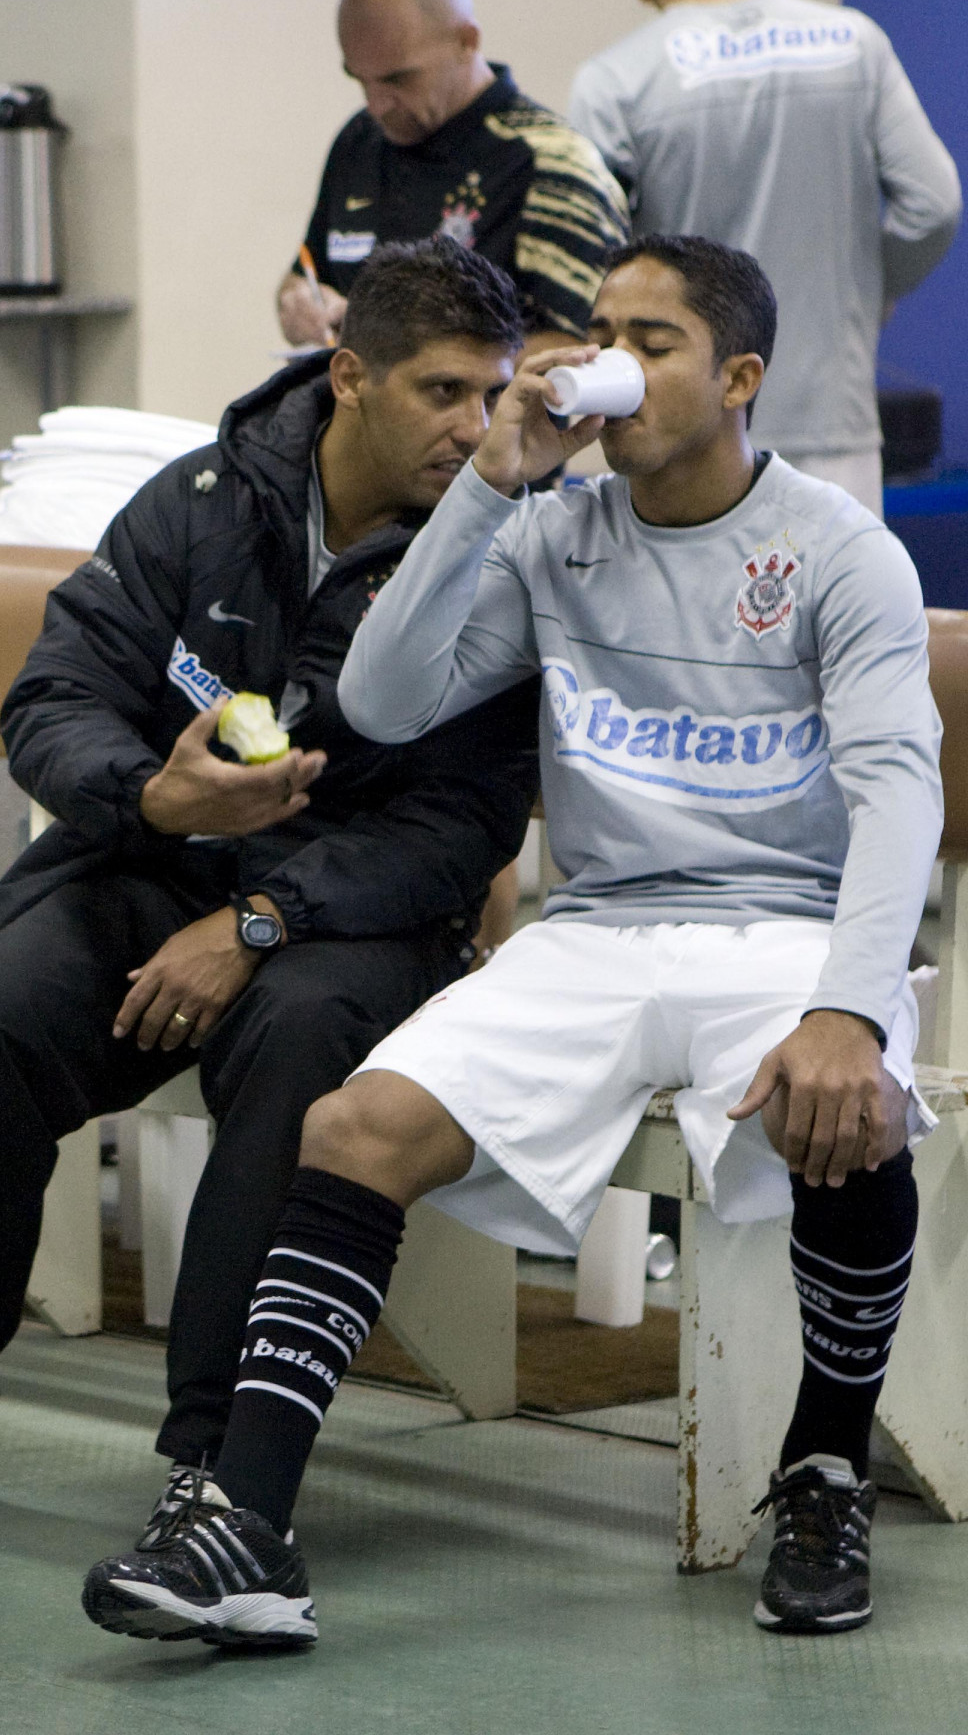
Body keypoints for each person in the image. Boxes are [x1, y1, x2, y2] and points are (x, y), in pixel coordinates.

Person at [82, 235, 942, 1649]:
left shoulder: (838, 551)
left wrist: (851, 1000)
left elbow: (897, 790)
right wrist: (496, 483)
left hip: (782, 929)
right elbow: (383, 697)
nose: (608, 359)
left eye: (650, 340)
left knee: (844, 1105)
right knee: (353, 1127)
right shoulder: (550, 528)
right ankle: (246, 1525)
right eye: (598, 328)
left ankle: (825, 1469)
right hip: (595, 931)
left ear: (738, 379)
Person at [0, 238, 542, 1542]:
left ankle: (218, 1462)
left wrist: (261, 922)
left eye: (493, 394)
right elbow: (54, 695)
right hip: (146, 867)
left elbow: (464, 826)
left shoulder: (494, 549)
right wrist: (152, 798)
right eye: (443, 392)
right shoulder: (196, 501)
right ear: (349, 375)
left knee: (298, 1045)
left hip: (350, 919)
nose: (475, 429)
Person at [567, 0, 961, 517]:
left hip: (689, 431)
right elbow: (934, 204)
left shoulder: (614, 81)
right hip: (832, 423)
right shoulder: (854, 42)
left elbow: (590, 255)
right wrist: (875, 292)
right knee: (841, 605)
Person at [277, 0, 630, 353]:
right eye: (360, 80)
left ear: (467, 40)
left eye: (398, 80)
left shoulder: (554, 165)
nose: (376, 104)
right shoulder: (359, 140)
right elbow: (305, 271)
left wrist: (414, 368)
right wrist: (299, 302)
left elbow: (574, 350)